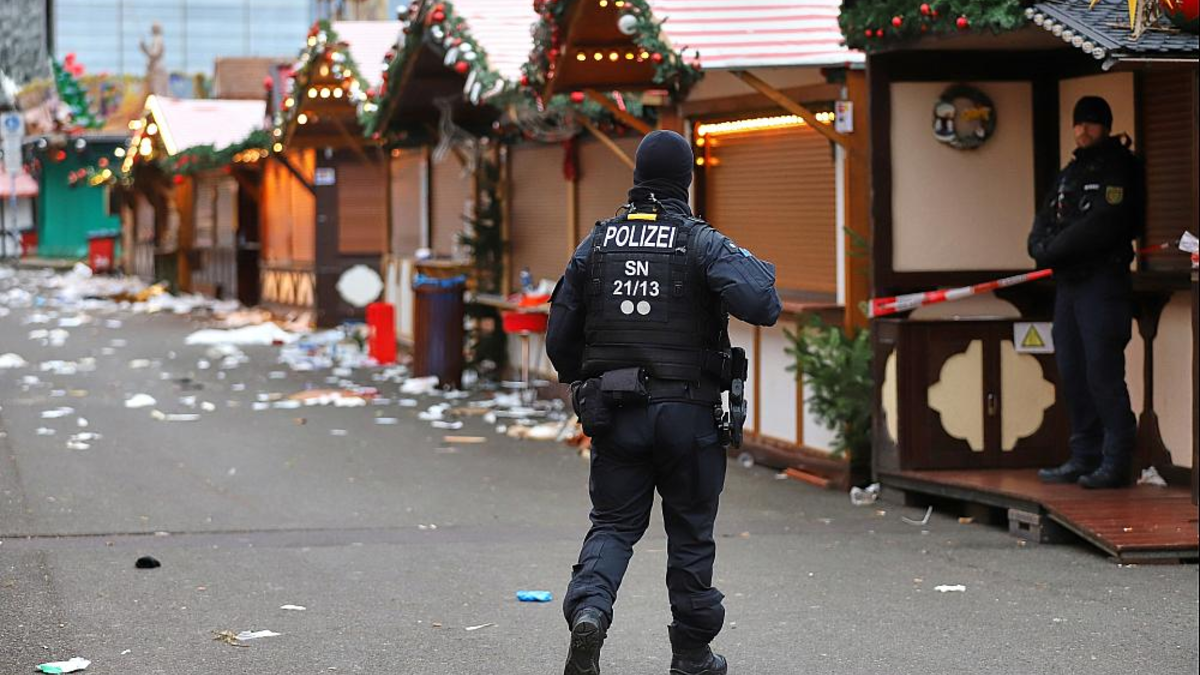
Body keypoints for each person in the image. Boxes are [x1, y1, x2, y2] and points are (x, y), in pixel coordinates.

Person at [546, 130, 781, 675]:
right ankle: (692, 655)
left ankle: (590, 613)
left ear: (636, 177)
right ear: (687, 180)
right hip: (690, 419)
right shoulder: (700, 242)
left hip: (617, 411)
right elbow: (764, 304)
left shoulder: (597, 243)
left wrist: (587, 382)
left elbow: (560, 335)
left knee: (612, 526)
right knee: (691, 536)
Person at [1028, 95, 1144, 490]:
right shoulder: (1069, 173)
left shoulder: (1120, 168)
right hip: (1068, 286)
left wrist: (1052, 250)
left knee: (1102, 372)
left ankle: (1116, 459)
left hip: (1102, 283)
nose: (1083, 130)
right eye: (1079, 123)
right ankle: (1083, 455)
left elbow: (1104, 223)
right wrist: (1039, 248)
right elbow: (1044, 219)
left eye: (1092, 123)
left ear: (1106, 126)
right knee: (1073, 370)